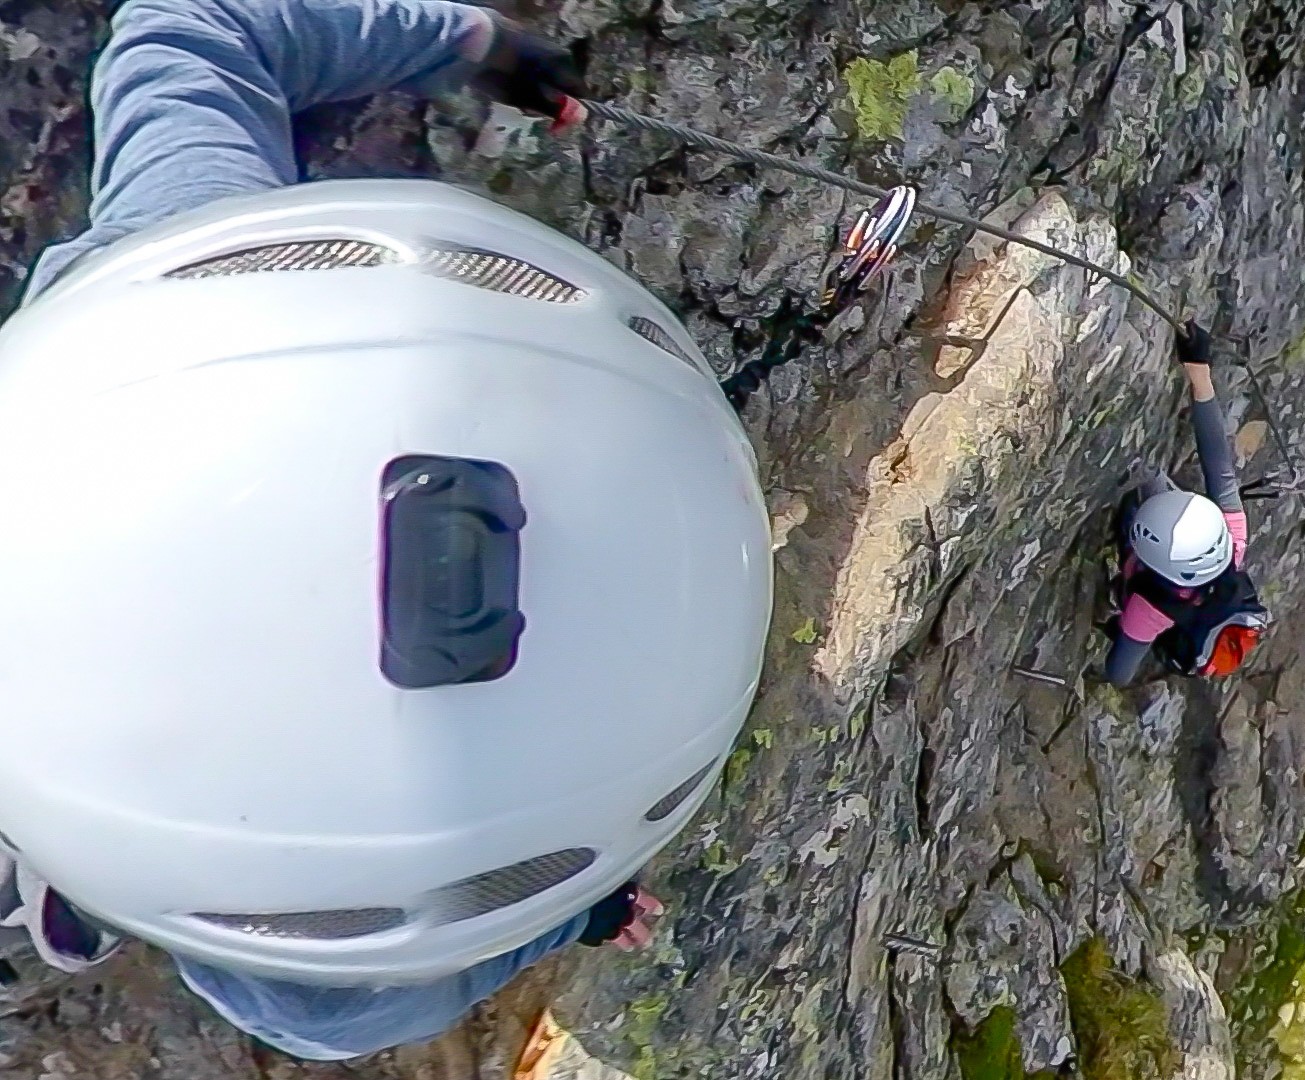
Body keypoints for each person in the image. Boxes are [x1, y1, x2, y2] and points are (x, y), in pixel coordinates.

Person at [0, 0, 772, 1061]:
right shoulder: (187, 317)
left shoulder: (182, 311)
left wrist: (554, 913)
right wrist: (471, 45)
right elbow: (188, 30)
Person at [1103, 321, 1270, 686]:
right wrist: (1199, 374)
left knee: (1146, 476)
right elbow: (1118, 673)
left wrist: (1128, 624)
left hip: (1149, 592)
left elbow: (1219, 466)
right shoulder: (1230, 537)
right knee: (1148, 477)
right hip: (1156, 591)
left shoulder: (1150, 608)